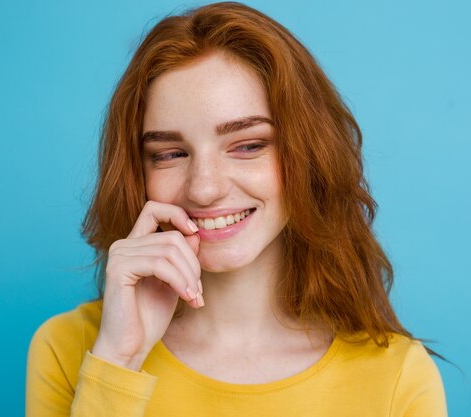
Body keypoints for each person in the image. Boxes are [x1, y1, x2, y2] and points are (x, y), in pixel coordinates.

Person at [26, 2, 447, 416]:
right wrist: (119, 361)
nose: (205, 189)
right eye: (170, 153)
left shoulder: (397, 377)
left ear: (308, 157)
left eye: (248, 145)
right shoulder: (71, 349)